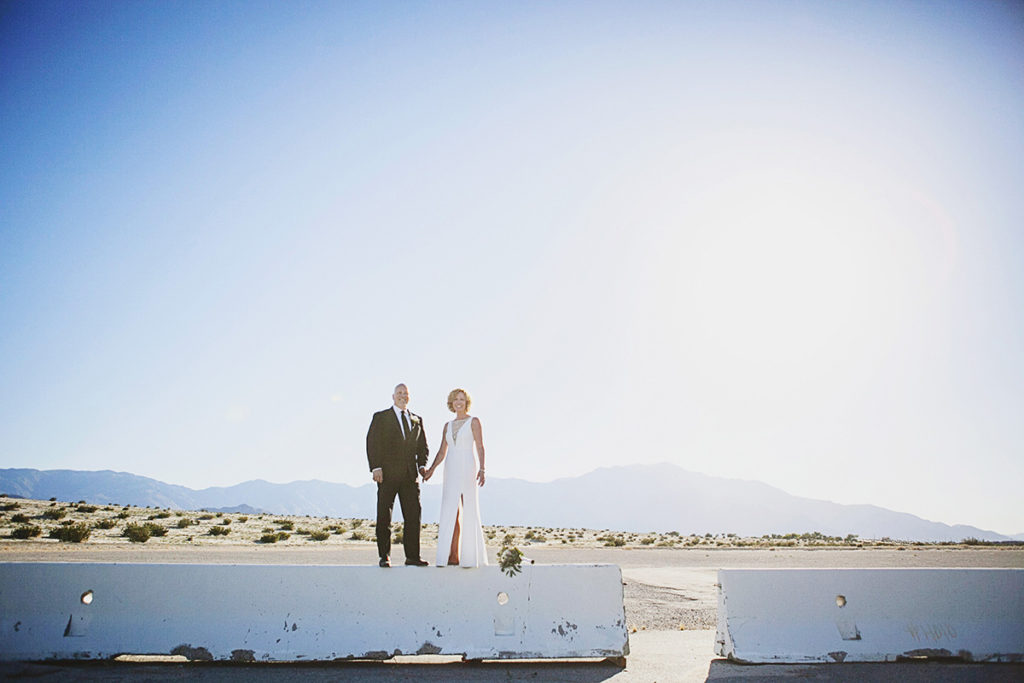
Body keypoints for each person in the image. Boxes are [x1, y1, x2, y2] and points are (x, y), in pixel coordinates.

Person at [366, 383, 429, 567]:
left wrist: (422, 466)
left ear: (409, 397)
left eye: (405, 393)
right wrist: (376, 467)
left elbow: (422, 447)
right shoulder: (381, 417)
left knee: (413, 515)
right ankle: (384, 556)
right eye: (399, 393)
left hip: (410, 476)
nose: (402, 396)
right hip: (387, 475)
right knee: (384, 515)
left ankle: (412, 557)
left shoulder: (417, 419)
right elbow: (372, 442)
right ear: (393, 396)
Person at [423, 388, 488, 567]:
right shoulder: (447, 425)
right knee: (452, 510)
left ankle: (471, 556)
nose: (459, 402)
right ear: (451, 403)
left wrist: (482, 469)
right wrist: (431, 470)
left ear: (467, 402)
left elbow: (481, 447)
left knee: (469, 508)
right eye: (455, 399)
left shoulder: (474, 421)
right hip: (450, 468)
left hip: (467, 465)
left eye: (462, 399)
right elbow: (442, 451)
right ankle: (452, 556)